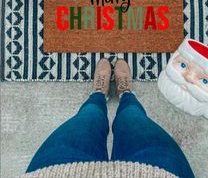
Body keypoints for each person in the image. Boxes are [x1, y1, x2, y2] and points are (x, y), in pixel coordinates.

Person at [19, 58, 195, 178]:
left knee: (89, 117)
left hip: (57, 172)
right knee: (133, 119)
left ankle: (98, 95)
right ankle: (126, 95)